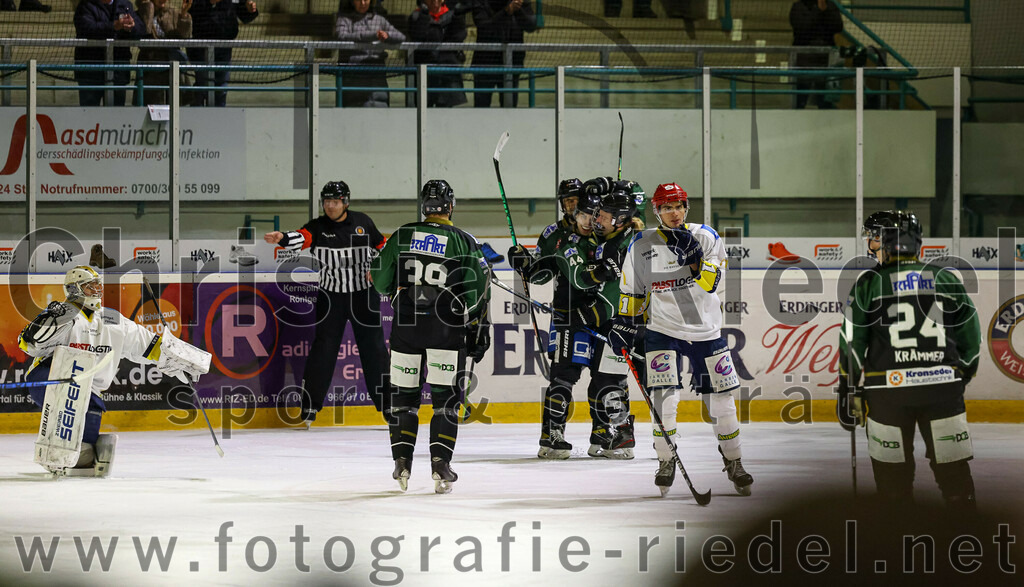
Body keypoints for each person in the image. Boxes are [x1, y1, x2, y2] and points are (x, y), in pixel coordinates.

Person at [609, 182, 754, 497]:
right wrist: (624, 323)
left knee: (723, 401)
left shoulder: (706, 237)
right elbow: (632, 293)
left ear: (686, 208)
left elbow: (712, 283)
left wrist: (693, 259)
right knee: (664, 399)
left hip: (707, 332)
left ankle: (734, 461)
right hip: (663, 330)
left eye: (679, 206)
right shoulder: (641, 244)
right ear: (656, 211)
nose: (674, 213)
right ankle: (665, 460)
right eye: (666, 207)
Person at [837, 210, 980, 510]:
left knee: (893, 488)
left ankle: (898, 548)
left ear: (889, 242)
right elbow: (971, 333)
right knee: (955, 481)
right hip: (943, 390)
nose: (870, 245)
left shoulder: (868, 284)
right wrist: (962, 373)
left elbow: (852, 342)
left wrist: (847, 388)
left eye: (875, 239)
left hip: (887, 394)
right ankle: (967, 547)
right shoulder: (945, 278)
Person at [17, 266, 209, 477]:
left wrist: (187, 360)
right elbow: (30, 346)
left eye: (98, 285)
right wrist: (46, 322)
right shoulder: (65, 316)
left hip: (89, 391)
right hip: (47, 379)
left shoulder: (112, 319)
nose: (97, 289)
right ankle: (57, 450)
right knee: (73, 394)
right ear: (74, 289)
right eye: (90, 286)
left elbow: (149, 345)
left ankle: (84, 451)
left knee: (90, 415)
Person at [370, 180, 491, 494]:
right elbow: (477, 292)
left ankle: (401, 462)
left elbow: (380, 281)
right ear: (450, 206)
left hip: (406, 329)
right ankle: (440, 464)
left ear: (423, 207)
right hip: (445, 329)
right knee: (445, 403)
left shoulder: (401, 235)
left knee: (403, 401)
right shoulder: (464, 240)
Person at [264, 181, 392, 428]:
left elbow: (383, 247)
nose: (330, 206)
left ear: (346, 202)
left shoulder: (362, 222)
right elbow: (300, 238)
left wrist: (378, 269)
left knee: (375, 350)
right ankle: (310, 407)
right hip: (330, 296)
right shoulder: (318, 227)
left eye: (335, 201)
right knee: (323, 351)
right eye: (326, 201)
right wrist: (282, 237)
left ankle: (387, 406)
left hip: (363, 296)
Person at [73, 0, 147, 106]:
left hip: (118, 72)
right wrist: (114, 26)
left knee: (116, 115)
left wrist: (132, 27)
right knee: (89, 115)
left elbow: (141, 30)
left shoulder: (125, 5)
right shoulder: (85, 6)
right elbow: (86, 28)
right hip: (91, 73)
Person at [186, 0, 259, 107]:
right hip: (201, 47)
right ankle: (197, 117)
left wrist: (250, 10)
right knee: (202, 86)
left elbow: (244, 17)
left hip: (224, 48)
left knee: (221, 89)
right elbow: (190, 11)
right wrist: (210, 3)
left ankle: (219, 117)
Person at [335, 0, 406, 108]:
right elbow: (341, 36)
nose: (363, 3)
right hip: (353, 75)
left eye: (366, 0)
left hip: (377, 74)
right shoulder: (344, 19)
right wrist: (372, 35)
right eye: (359, 0)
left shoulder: (379, 20)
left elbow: (401, 37)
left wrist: (387, 35)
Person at [470, 0, 537, 108]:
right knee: (481, 111)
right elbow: (483, 26)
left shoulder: (520, 3)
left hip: (512, 65)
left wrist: (518, 10)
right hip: (484, 65)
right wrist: (506, 11)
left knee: (510, 110)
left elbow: (531, 25)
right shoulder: (481, 2)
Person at [408, 0, 468, 108]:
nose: (434, 1)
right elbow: (417, 35)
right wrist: (424, 15)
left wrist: (459, 17)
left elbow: (459, 36)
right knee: (423, 109)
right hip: (425, 73)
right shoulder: (416, 16)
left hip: (447, 74)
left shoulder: (452, 15)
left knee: (445, 114)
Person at [137, 0, 193, 106]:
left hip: (173, 67)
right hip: (151, 69)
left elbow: (185, 36)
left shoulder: (173, 13)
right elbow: (146, 31)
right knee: (153, 107)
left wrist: (184, 14)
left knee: (176, 105)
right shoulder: (142, 12)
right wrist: (148, 8)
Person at [789, 0, 843, 109]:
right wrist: (818, 11)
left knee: (825, 98)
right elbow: (802, 27)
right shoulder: (798, 7)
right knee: (800, 97)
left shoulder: (830, 6)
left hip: (826, 60)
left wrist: (825, 11)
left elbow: (838, 26)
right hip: (804, 60)